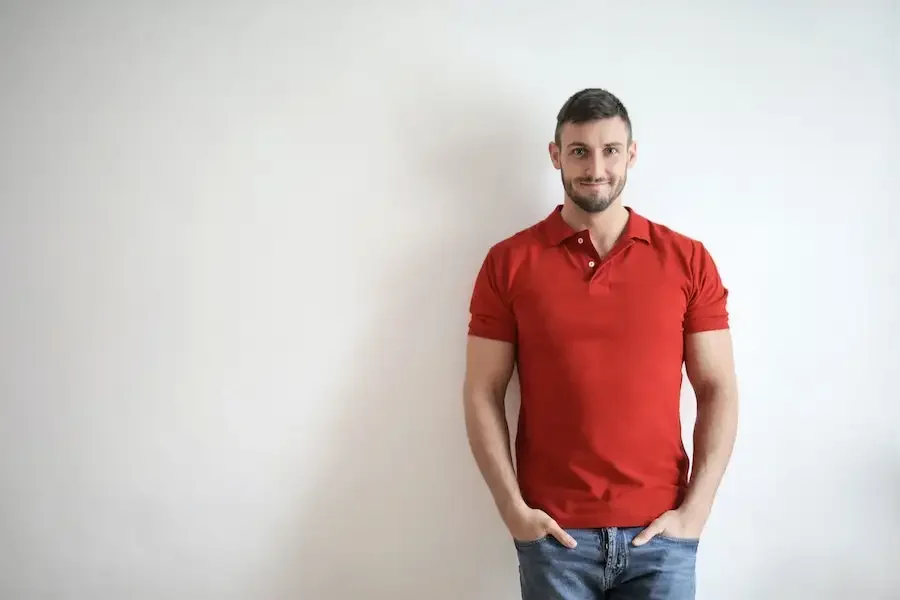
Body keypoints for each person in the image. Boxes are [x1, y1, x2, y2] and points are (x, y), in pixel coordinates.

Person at [462, 88, 739, 600]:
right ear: (555, 155)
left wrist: (695, 512)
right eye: (579, 151)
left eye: (611, 150)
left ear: (631, 153)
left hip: (661, 538)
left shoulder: (687, 260)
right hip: (556, 540)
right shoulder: (508, 263)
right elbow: (482, 390)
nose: (596, 167)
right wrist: (513, 511)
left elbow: (718, 387)